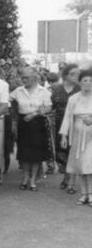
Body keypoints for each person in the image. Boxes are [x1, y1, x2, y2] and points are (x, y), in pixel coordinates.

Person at [10, 66, 52, 191]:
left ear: (34, 77)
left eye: (27, 77)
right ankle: (25, 178)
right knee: (24, 153)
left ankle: (33, 180)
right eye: (22, 77)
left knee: (36, 154)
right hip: (23, 124)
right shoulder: (18, 91)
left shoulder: (43, 91)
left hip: (38, 123)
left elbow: (48, 108)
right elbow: (6, 100)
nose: (24, 80)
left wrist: (34, 114)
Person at [59, 69, 92, 205]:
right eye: (85, 80)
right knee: (81, 166)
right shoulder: (73, 98)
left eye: (91, 81)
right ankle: (84, 194)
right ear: (80, 82)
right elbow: (67, 117)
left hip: (91, 137)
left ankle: (91, 194)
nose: (88, 83)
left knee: (89, 165)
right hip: (78, 136)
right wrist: (64, 136)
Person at [51, 63, 80, 193]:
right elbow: (50, 105)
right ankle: (67, 174)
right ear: (66, 75)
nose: (77, 76)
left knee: (73, 152)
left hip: (77, 124)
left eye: (78, 74)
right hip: (59, 124)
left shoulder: (81, 88)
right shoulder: (57, 88)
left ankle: (70, 180)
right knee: (61, 152)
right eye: (74, 74)